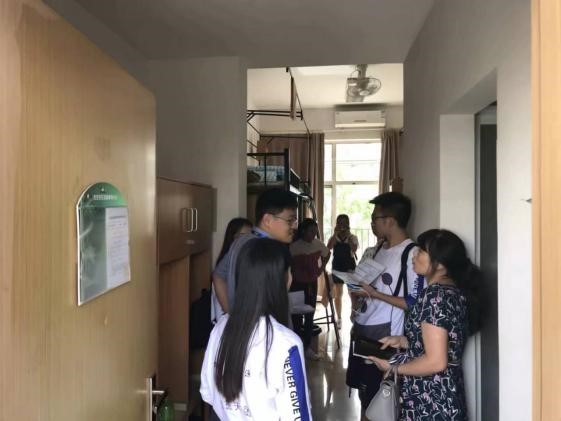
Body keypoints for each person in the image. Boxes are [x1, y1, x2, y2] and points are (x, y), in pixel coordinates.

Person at [368, 229, 482, 421]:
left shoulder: (435, 296)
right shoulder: (452, 291)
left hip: (431, 403)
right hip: (447, 397)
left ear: (441, 265)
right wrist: (404, 341)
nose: (414, 254)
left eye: (421, 251)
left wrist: (392, 368)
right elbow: (444, 341)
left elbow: (436, 361)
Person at [201, 238, 312, 420]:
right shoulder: (287, 344)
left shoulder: (220, 327)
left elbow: (208, 393)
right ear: (281, 280)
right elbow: (298, 417)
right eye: (289, 272)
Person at [346, 192, 425, 416]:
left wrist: (376, 294)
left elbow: (415, 303)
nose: (372, 224)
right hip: (363, 328)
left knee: (379, 399)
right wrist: (358, 290)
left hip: (384, 336)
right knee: (364, 394)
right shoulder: (380, 249)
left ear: (389, 221)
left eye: (375, 219)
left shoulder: (412, 254)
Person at [212, 188, 298, 314]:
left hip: (244, 324)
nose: (295, 226)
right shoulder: (268, 250)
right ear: (267, 220)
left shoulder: (240, 241)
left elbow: (218, 275)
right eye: (290, 220)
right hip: (268, 325)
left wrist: (231, 314)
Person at [289, 218, 330, 359]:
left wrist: (321, 268)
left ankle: (306, 347)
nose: (313, 234)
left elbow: (327, 254)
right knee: (295, 316)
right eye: (311, 231)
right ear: (303, 231)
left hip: (311, 284)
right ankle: (296, 346)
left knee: (309, 315)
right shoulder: (294, 246)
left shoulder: (318, 244)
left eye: (315, 231)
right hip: (296, 285)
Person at [211, 218, 253, 322]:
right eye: (243, 236)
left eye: (250, 236)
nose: (247, 241)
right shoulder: (226, 265)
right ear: (233, 237)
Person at [327, 214, 359, 328]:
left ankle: (353, 315)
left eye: (344, 222)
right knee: (338, 294)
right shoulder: (334, 237)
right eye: (340, 222)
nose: (342, 225)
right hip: (337, 267)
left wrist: (348, 236)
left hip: (349, 267)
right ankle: (339, 317)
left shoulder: (353, 237)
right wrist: (335, 234)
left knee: (352, 293)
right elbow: (328, 247)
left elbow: (354, 249)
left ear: (348, 224)